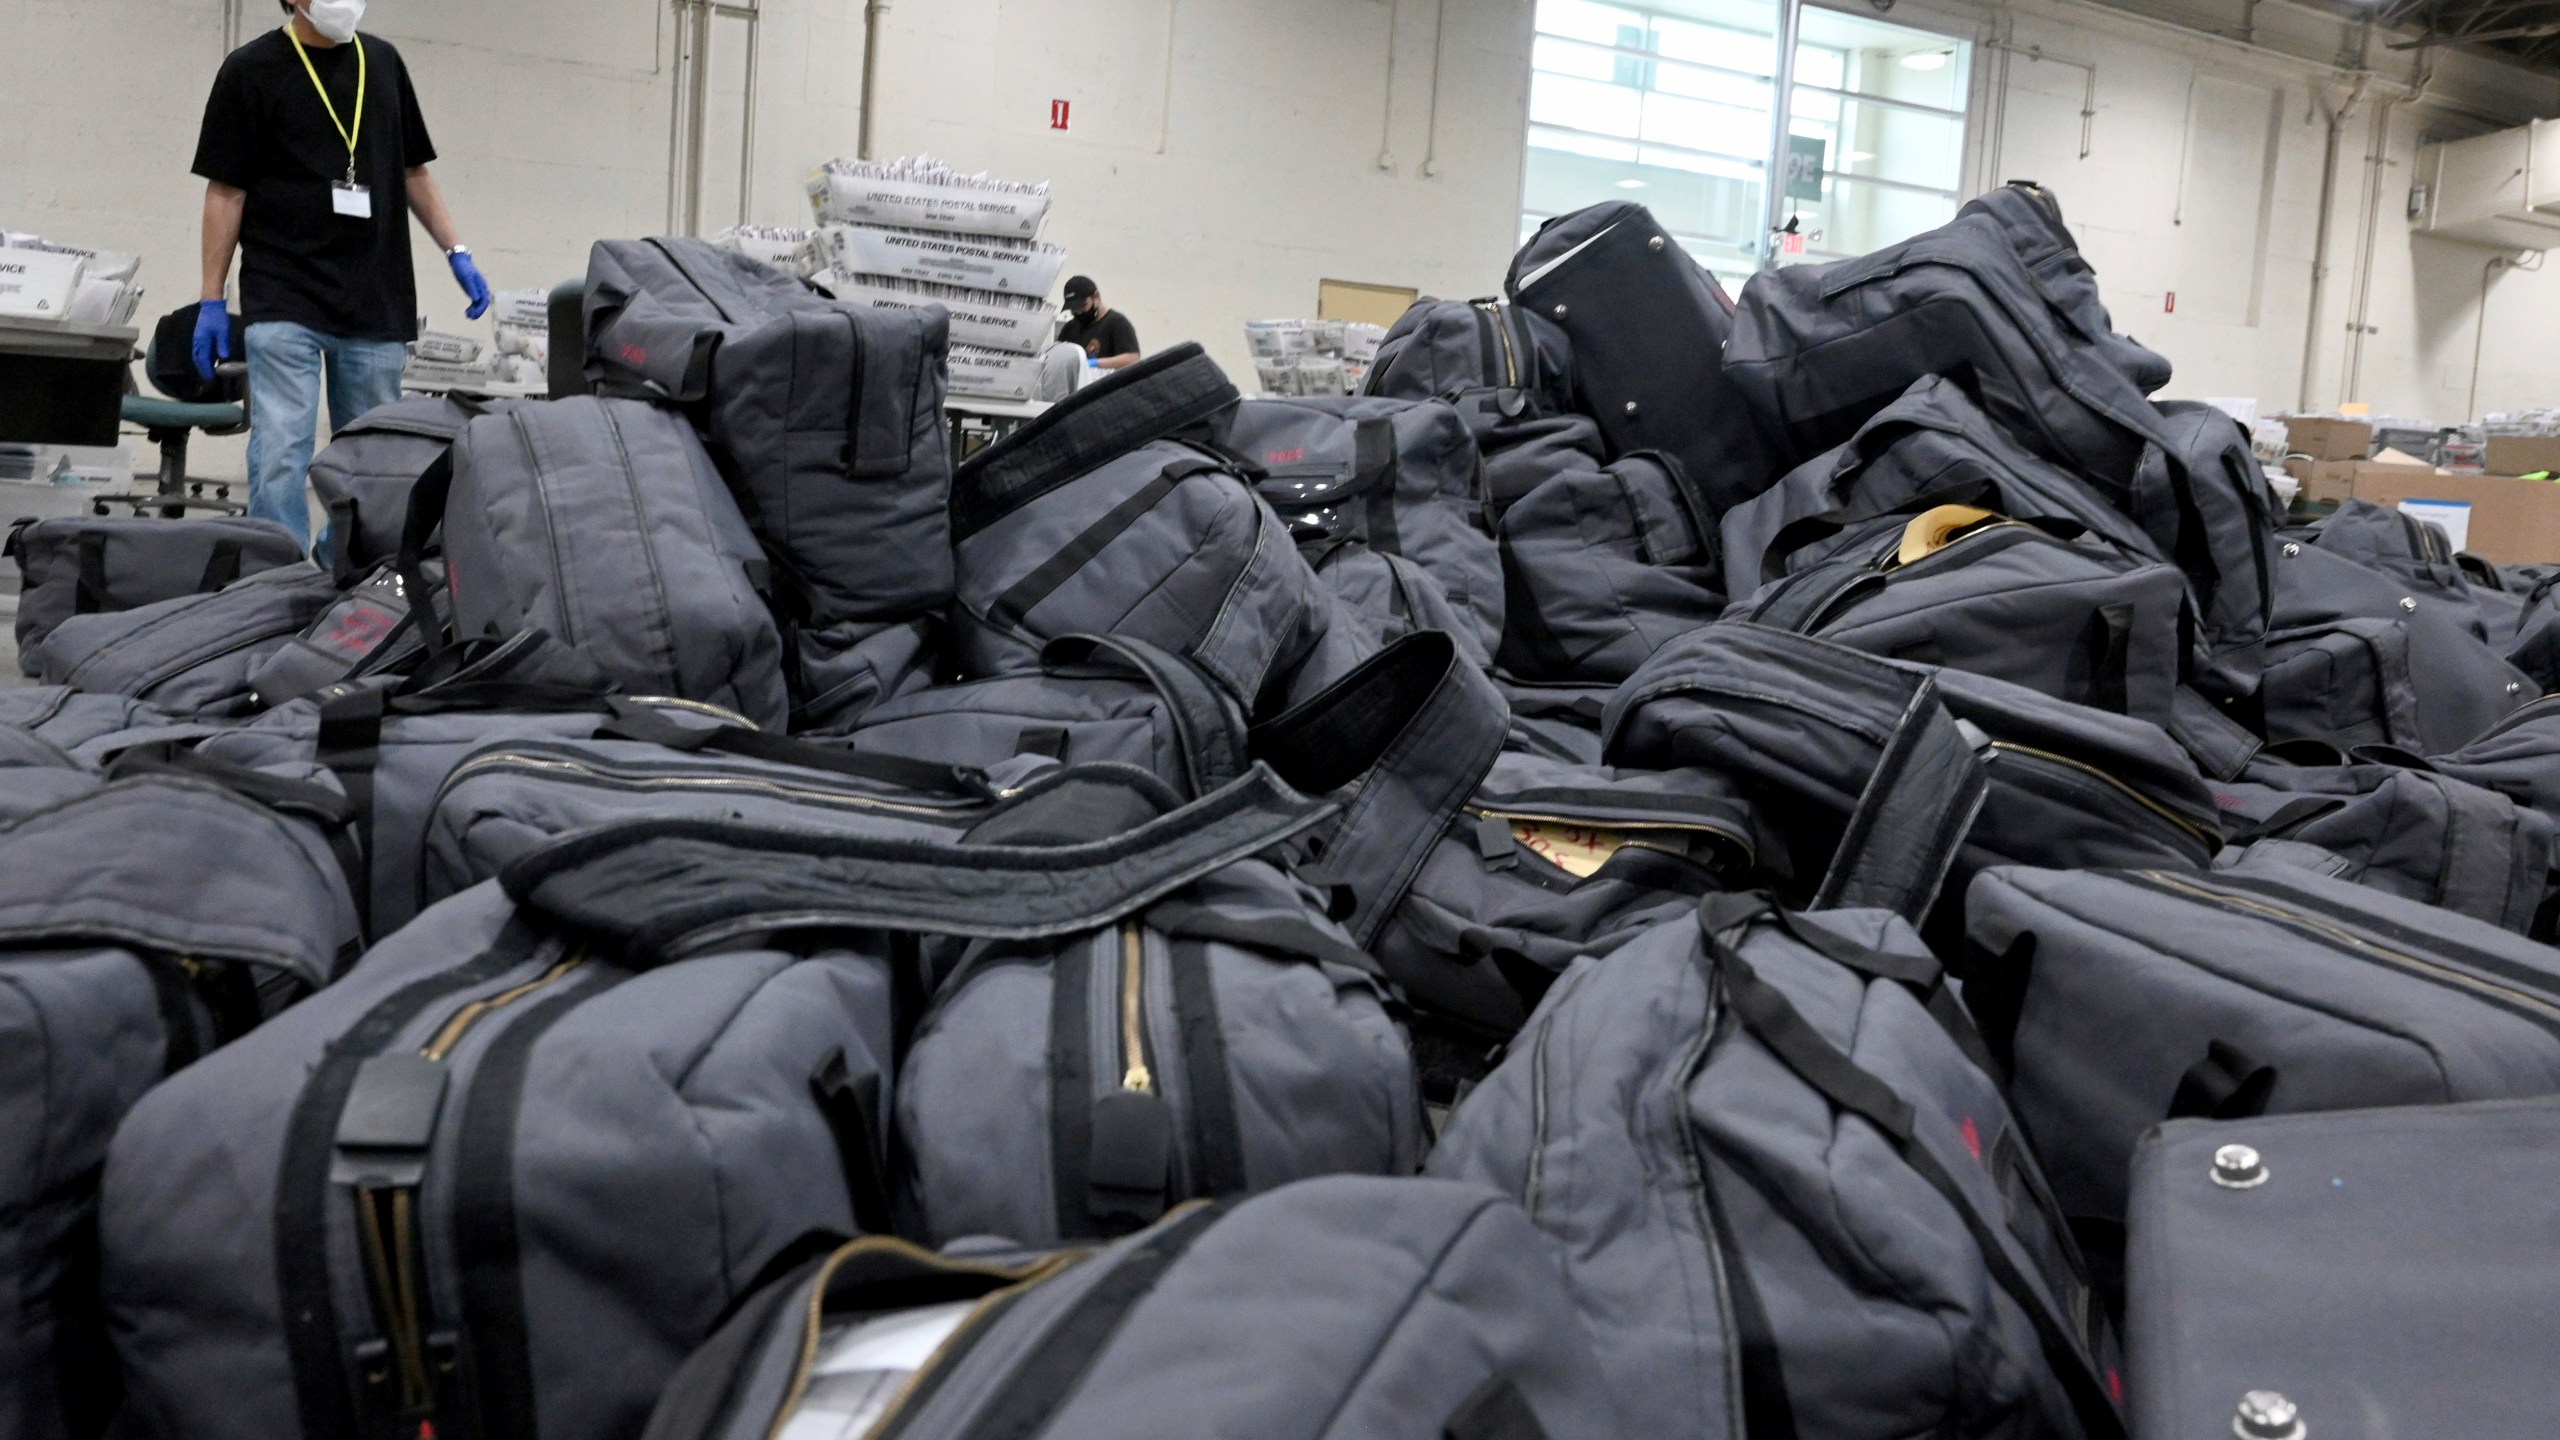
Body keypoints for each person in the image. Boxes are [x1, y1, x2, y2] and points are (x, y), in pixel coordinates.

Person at [190, 0, 490, 547]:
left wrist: (457, 250)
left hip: (374, 295)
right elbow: (226, 191)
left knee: (372, 458)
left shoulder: (384, 63)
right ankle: (276, 578)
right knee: (281, 449)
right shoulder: (249, 69)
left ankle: (347, 574)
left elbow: (413, 169)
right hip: (284, 293)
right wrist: (212, 297)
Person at [1057, 276, 1141, 371]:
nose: (1079, 312)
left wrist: (1094, 363)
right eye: (1074, 309)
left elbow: (1132, 359)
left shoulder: (1117, 323)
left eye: (1083, 305)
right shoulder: (1070, 328)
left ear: (1096, 297)